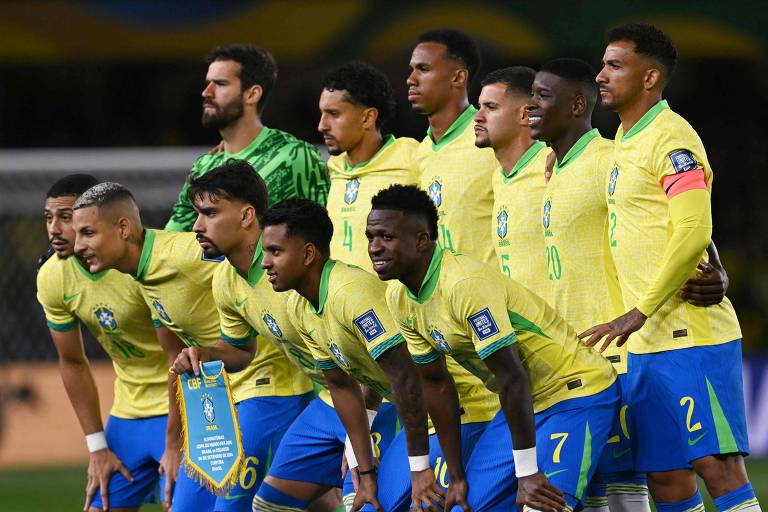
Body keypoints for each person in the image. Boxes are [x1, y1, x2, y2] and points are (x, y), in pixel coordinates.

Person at [582, 23, 760, 512]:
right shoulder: (621, 139)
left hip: (689, 334)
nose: (600, 74)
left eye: (615, 65)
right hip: (645, 344)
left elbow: (691, 228)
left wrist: (639, 309)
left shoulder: (672, 138)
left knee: (717, 466)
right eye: (603, 63)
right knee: (664, 477)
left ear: (649, 78)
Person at [368, 184, 620, 512]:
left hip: (574, 392)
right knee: (463, 507)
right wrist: (456, 477)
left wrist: (527, 472)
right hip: (526, 402)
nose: (374, 247)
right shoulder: (399, 299)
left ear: (421, 240)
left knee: (543, 506)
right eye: (370, 236)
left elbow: (511, 377)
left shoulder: (463, 284)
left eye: (386, 237)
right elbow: (436, 384)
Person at [71, 181, 313, 512]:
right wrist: (174, 443)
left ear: (123, 228)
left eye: (87, 233)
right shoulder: (140, 277)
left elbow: (256, 262)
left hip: (266, 388)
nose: (77, 245)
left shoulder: (185, 254)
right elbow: (175, 356)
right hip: (214, 401)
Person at [168, 160, 396, 512]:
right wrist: (206, 354)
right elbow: (241, 350)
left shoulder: (295, 275)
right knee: (271, 505)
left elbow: (366, 361)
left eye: (210, 213)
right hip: (332, 395)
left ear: (247, 216)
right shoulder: (226, 282)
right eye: (197, 214)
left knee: (365, 502)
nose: (197, 226)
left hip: (375, 396)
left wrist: (359, 438)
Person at [260, 199, 499, 511]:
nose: (265, 262)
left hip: (461, 408)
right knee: (368, 504)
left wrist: (420, 467)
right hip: (420, 416)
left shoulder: (350, 295)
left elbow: (408, 377)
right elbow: (343, 385)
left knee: (427, 503)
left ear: (307, 254)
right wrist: (365, 468)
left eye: (275, 252)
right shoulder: (300, 306)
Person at [526, 58, 649, 512]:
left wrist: (713, 265)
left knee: (622, 494)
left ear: (578, 104)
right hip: (566, 359)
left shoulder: (608, 160)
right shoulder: (547, 166)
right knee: (591, 494)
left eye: (541, 96)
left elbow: (668, 216)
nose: (529, 106)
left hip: (612, 356)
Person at [36, 174, 169, 512]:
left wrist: (179, 439)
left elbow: (181, 354)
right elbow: (73, 362)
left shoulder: (145, 267)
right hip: (129, 413)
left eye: (66, 217)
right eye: (49, 218)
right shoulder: (53, 275)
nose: (54, 229)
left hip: (181, 408)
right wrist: (97, 447)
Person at [165, 44, 329, 232]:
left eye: (220, 84)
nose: (206, 92)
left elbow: (324, 237)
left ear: (252, 94)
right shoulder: (204, 166)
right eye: (208, 83)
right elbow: (172, 241)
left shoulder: (295, 156)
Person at [408, 29, 498, 264]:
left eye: (423, 69)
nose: (411, 79)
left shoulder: (492, 138)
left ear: (458, 78)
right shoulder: (423, 150)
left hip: (490, 296)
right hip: (442, 297)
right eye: (412, 69)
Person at [321, 60, 420, 270]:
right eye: (322, 113)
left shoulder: (413, 160)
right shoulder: (334, 169)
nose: (322, 125)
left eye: (334, 114)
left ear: (367, 118)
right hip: (340, 300)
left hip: (391, 301)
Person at [474, 66, 551, 295]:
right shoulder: (499, 178)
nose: (478, 117)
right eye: (479, 106)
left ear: (525, 115)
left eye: (491, 107)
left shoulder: (551, 167)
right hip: (523, 326)